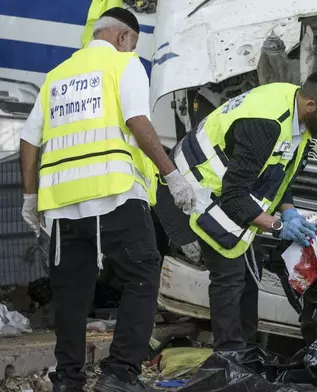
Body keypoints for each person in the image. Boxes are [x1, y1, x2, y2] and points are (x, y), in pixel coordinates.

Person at [19, 7, 196, 392]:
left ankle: (68, 379)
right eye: (132, 43)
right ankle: (119, 375)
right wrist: (172, 175)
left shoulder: (56, 76)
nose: (132, 48)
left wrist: (31, 198)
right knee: (144, 274)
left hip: (64, 209)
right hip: (115, 197)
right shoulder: (124, 64)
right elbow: (137, 119)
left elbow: (29, 140)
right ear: (122, 37)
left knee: (70, 295)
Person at [169, 71, 317, 354]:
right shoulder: (266, 124)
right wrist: (277, 226)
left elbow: (280, 173)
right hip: (197, 187)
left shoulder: (297, 115)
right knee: (229, 275)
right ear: (312, 105)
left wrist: (289, 212)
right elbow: (234, 196)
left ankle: (247, 352)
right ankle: (230, 356)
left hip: (227, 188)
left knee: (251, 271)